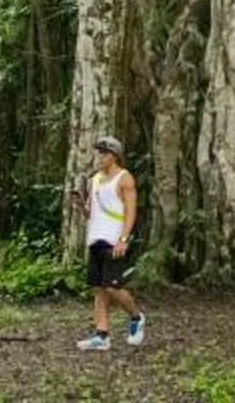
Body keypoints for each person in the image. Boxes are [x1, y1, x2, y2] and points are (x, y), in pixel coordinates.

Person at [74, 134, 146, 350]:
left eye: (104, 154)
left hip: (114, 239)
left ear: (114, 156)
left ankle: (136, 317)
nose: (100, 157)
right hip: (96, 237)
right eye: (99, 153)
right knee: (99, 288)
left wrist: (123, 239)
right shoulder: (95, 179)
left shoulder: (124, 178)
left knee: (113, 287)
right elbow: (91, 212)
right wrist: (80, 205)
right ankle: (101, 335)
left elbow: (131, 211)